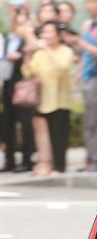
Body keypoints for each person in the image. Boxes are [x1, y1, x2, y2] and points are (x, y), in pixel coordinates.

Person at [64, 0, 97, 172]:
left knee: (95, 122)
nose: (89, 5)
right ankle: (90, 160)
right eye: (87, 1)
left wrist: (81, 42)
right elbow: (86, 53)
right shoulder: (91, 25)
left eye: (93, 1)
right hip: (88, 77)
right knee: (89, 122)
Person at [21, 21, 74, 175]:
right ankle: (46, 164)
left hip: (60, 100)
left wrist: (47, 49)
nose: (46, 35)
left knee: (59, 135)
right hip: (42, 100)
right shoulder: (39, 53)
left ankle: (59, 167)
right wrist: (28, 54)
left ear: (58, 35)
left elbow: (62, 68)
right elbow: (28, 73)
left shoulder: (66, 51)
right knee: (44, 136)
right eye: (44, 32)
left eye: (50, 32)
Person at [1, 11, 34, 173]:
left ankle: (27, 161)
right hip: (8, 85)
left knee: (26, 124)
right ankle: (9, 161)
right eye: (17, 23)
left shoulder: (28, 41)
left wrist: (20, 55)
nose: (19, 27)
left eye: (23, 23)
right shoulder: (7, 40)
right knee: (7, 124)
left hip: (24, 85)